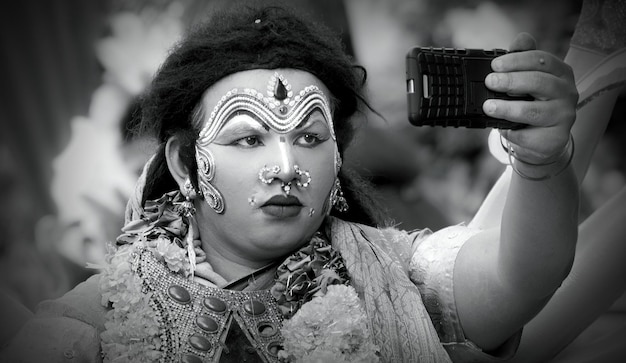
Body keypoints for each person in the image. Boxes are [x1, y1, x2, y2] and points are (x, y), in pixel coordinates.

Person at [0, 2, 580, 362]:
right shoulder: (93, 321)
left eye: (309, 137)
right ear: (183, 163)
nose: (286, 165)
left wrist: (540, 164)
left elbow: (519, 277)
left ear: (337, 157)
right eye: (248, 139)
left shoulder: (393, 278)